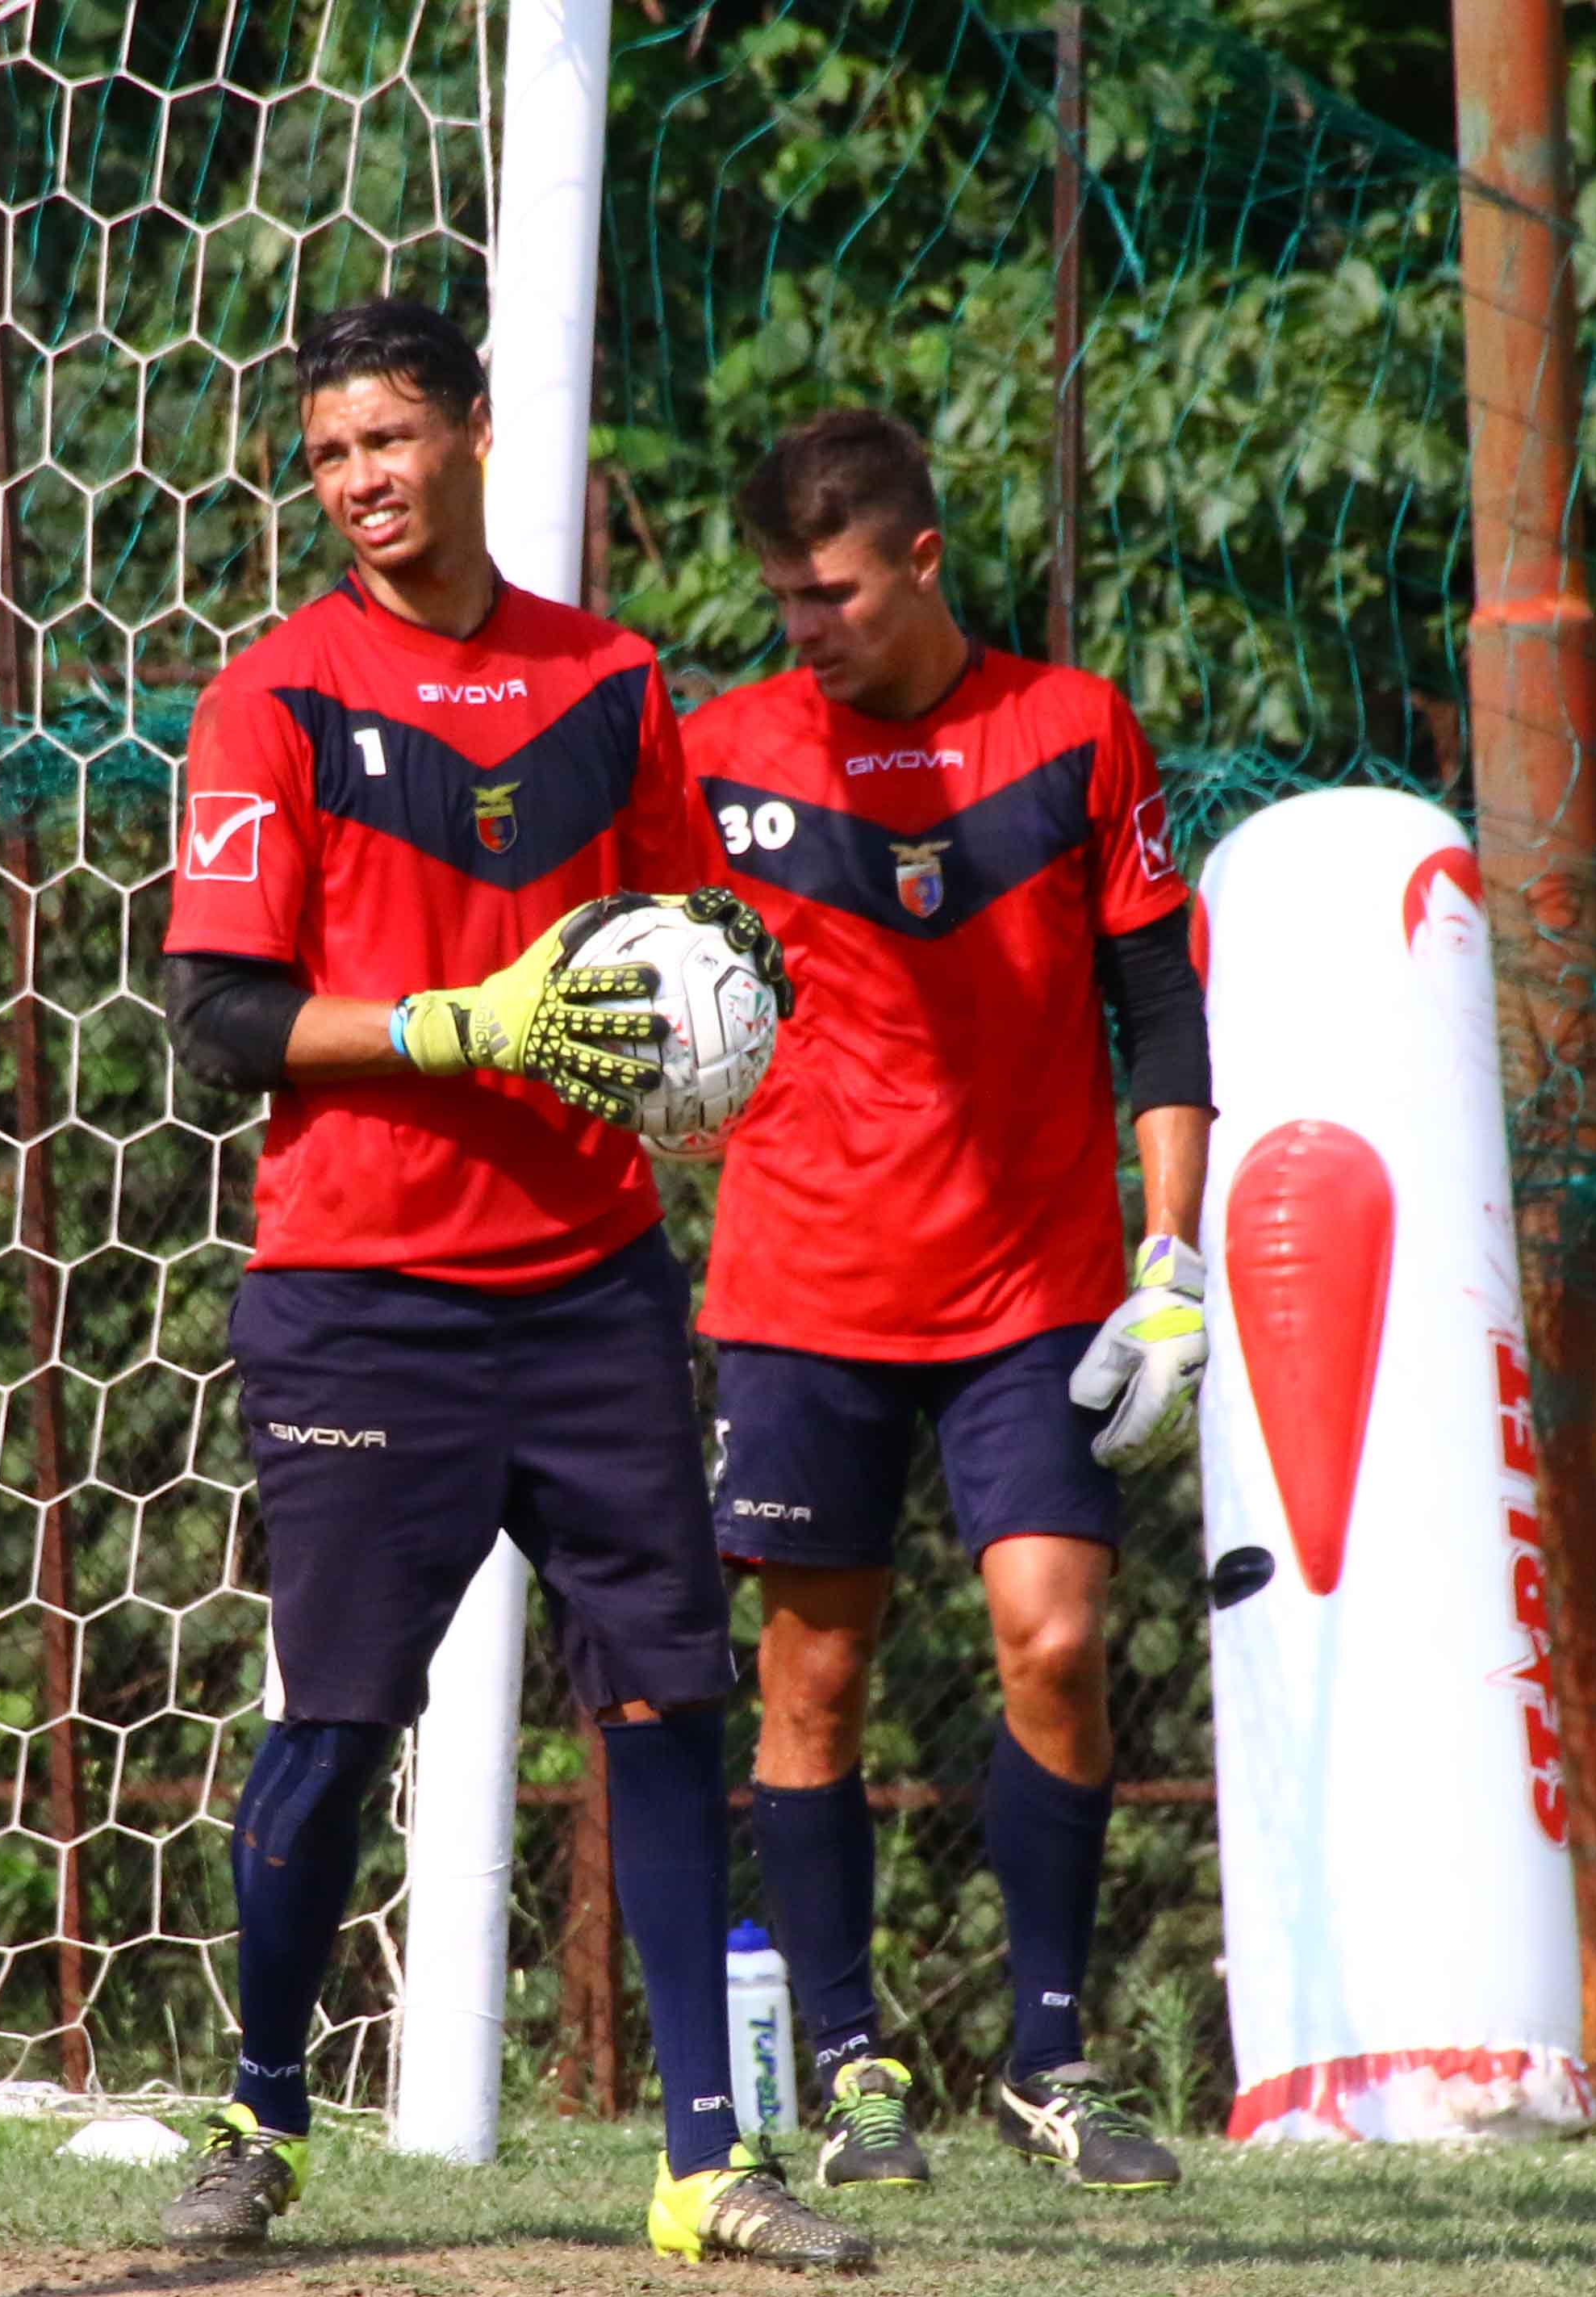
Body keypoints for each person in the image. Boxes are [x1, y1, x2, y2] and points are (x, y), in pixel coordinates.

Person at [155, 299, 863, 2270]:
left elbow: (681, 938)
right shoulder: (271, 700)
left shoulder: (610, 683)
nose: (361, 480)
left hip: (589, 1292)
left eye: (389, 437)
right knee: (337, 1715)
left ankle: (706, 2167)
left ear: (474, 432)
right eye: (326, 455)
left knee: (662, 1702)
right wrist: (456, 1025)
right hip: (361, 1292)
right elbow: (217, 1017)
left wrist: (708, 1040)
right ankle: (259, 2115)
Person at [689, 408, 1211, 2194]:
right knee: (812, 1674)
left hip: (1034, 1281)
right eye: (776, 597)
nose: (799, 630)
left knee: (1054, 1636)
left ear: (920, 558)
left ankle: (1049, 2054)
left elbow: (1158, 997)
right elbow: (632, 979)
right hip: (804, 1278)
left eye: (825, 592)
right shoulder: (720, 751)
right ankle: (847, 2068)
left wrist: (1171, 1259)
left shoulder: (1070, 730)